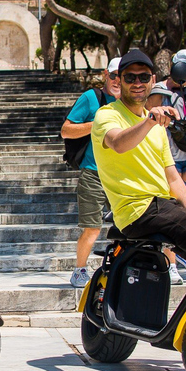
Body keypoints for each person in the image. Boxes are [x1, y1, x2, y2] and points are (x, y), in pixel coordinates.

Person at [92, 50, 186, 279]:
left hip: (162, 207)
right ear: (119, 81)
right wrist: (149, 122)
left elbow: (173, 178)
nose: (137, 83)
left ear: (153, 80)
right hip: (138, 210)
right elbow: (119, 143)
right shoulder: (107, 115)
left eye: (144, 77)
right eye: (130, 77)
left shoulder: (157, 126)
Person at [61, 57, 122, 288]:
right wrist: (97, 124)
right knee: (92, 227)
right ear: (106, 74)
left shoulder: (129, 102)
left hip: (121, 174)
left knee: (128, 226)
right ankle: (79, 270)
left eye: (122, 76)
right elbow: (66, 130)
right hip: (94, 172)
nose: (118, 80)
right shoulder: (91, 98)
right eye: (114, 75)